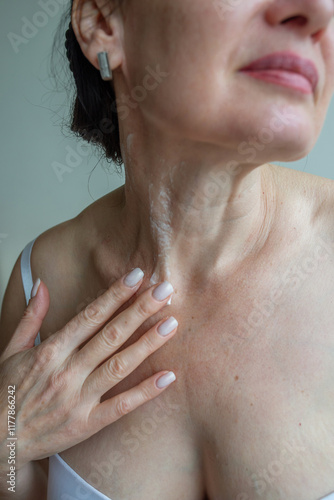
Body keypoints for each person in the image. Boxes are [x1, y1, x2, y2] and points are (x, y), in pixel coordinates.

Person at [1, 0, 334, 498]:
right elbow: (13, 482)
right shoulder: (39, 284)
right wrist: (7, 443)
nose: (318, 10)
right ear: (102, 21)